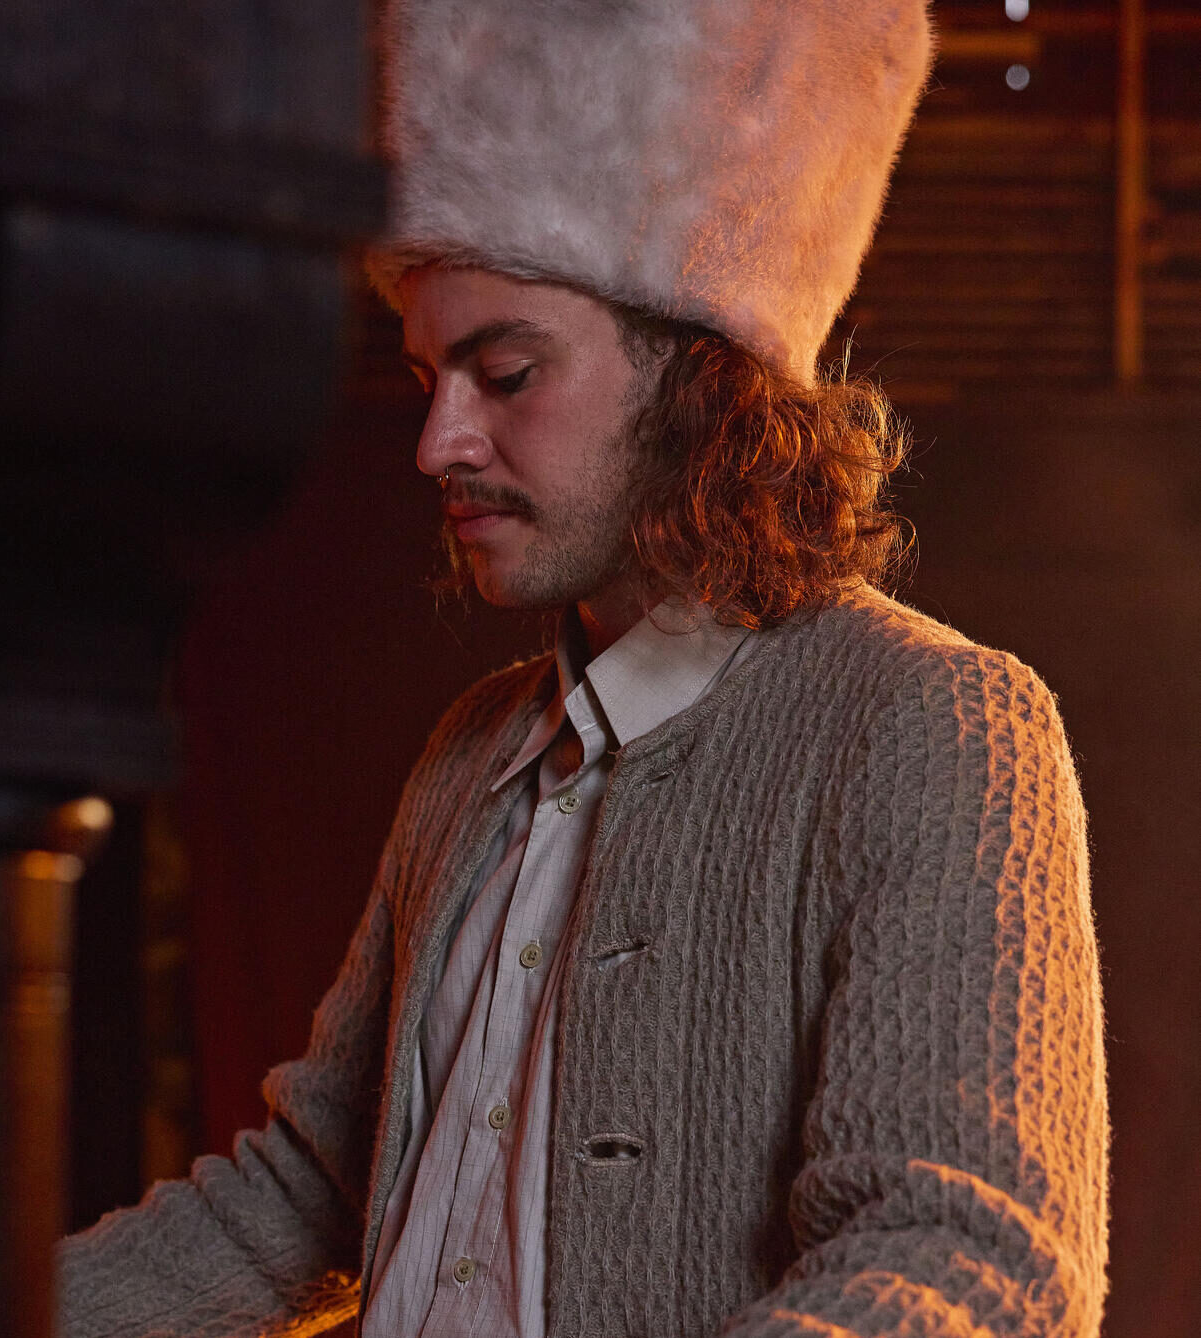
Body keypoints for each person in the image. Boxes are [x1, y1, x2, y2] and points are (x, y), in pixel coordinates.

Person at [59, 1, 1110, 1336]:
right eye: (429, 377)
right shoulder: (468, 752)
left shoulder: (936, 723)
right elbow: (303, 1198)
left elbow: (968, 1261)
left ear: (699, 382)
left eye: (505, 373)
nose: (437, 442)